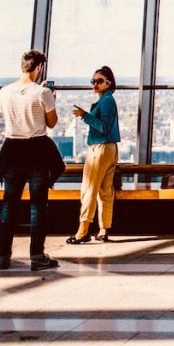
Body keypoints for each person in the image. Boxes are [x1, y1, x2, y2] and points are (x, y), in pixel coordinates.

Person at [0, 50, 63, 271]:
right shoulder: (43, 93)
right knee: (38, 206)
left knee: (9, 204)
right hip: (36, 151)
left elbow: (4, 114)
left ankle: (3, 256)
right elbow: (51, 123)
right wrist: (51, 98)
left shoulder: (4, 92)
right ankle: (37, 255)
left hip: (12, 149)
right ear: (40, 67)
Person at [67, 66, 121, 244]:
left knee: (89, 189)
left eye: (99, 81)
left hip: (100, 149)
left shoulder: (106, 102)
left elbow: (103, 127)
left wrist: (85, 115)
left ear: (109, 83)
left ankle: (83, 231)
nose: (95, 84)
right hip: (110, 149)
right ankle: (104, 229)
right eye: (93, 81)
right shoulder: (108, 100)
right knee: (105, 190)